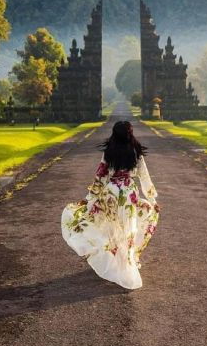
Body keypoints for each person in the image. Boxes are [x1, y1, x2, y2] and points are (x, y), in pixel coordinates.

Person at [61, 120, 159, 290]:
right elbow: (144, 176)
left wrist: (90, 198)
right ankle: (126, 262)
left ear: (114, 134)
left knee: (111, 227)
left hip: (111, 194)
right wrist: (152, 199)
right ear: (130, 133)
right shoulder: (136, 151)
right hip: (129, 194)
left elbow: (100, 177)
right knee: (128, 228)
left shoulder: (109, 152)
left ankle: (115, 262)